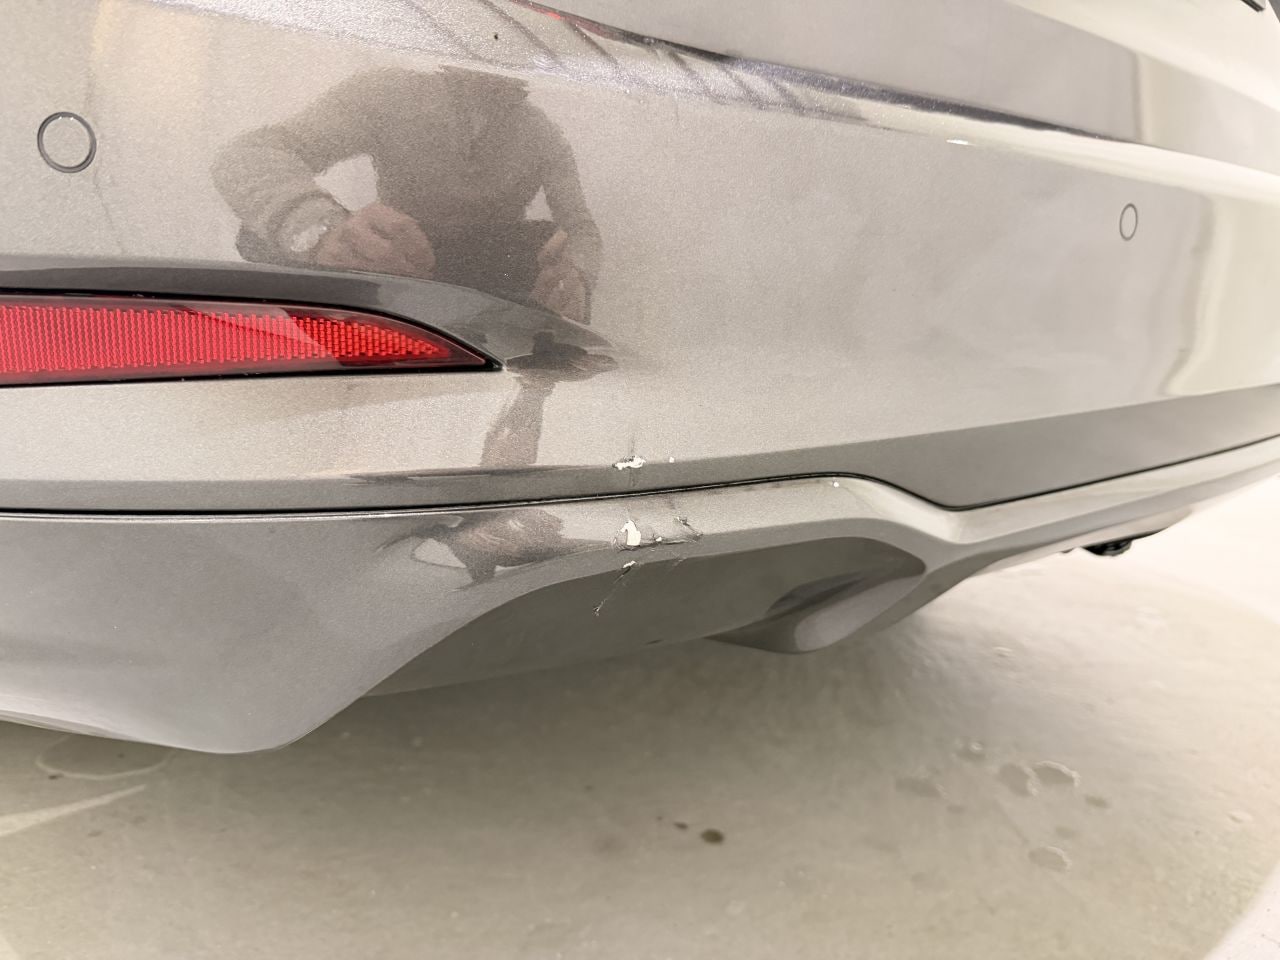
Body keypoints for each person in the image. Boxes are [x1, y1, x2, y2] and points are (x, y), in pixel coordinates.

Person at [212, 66, 601, 324]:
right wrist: (322, 230)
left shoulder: (541, 132)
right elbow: (250, 154)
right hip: (396, 266)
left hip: (487, 281)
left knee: (548, 241)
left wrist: (576, 276)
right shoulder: (389, 93)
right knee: (260, 235)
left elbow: (579, 226)